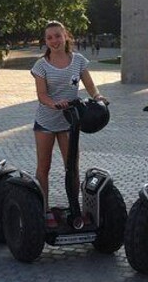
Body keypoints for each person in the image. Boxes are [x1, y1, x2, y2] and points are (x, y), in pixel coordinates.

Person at [31, 20, 106, 227]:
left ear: (66, 36)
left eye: (58, 35)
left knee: (71, 166)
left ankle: (75, 208)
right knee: (43, 168)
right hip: (46, 120)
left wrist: (98, 97)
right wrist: (54, 104)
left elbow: (90, 86)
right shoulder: (41, 65)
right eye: (50, 38)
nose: (54, 40)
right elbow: (41, 95)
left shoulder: (79, 60)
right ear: (46, 41)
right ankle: (44, 209)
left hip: (70, 122)